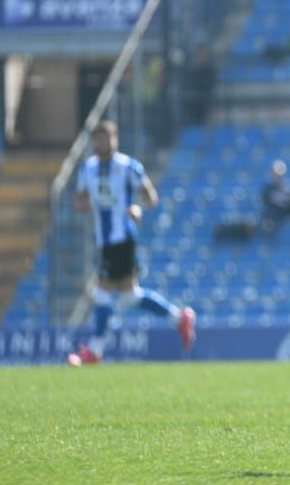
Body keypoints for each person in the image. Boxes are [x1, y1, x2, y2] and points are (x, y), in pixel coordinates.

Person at [66, 122, 195, 365]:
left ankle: (95, 350)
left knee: (102, 290)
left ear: (115, 140)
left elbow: (150, 197)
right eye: (99, 139)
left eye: (107, 138)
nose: (103, 143)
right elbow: (79, 198)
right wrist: (81, 205)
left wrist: (138, 208)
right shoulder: (88, 169)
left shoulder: (128, 167)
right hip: (104, 240)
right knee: (129, 297)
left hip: (123, 237)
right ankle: (179, 318)